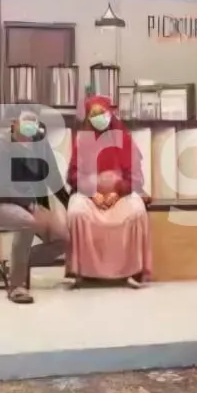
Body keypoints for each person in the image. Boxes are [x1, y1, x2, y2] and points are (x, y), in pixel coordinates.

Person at [0, 107, 69, 305]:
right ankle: (16, 286)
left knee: (63, 239)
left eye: (33, 121)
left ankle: (12, 265)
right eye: (26, 121)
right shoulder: (2, 143)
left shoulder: (40, 143)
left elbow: (53, 177)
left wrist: (69, 204)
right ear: (14, 123)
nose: (30, 126)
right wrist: (30, 205)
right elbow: (2, 185)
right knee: (27, 222)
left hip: (32, 205)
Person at [64, 95, 151, 286]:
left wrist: (117, 193)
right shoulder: (82, 140)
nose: (99, 119)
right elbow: (73, 175)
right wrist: (92, 193)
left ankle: (133, 271)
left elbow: (134, 175)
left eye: (102, 114)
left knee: (137, 212)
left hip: (120, 194)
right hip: (89, 195)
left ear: (110, 114)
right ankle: (83, 271)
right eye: (94, 116)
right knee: (77, 213)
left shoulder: (124, 139)